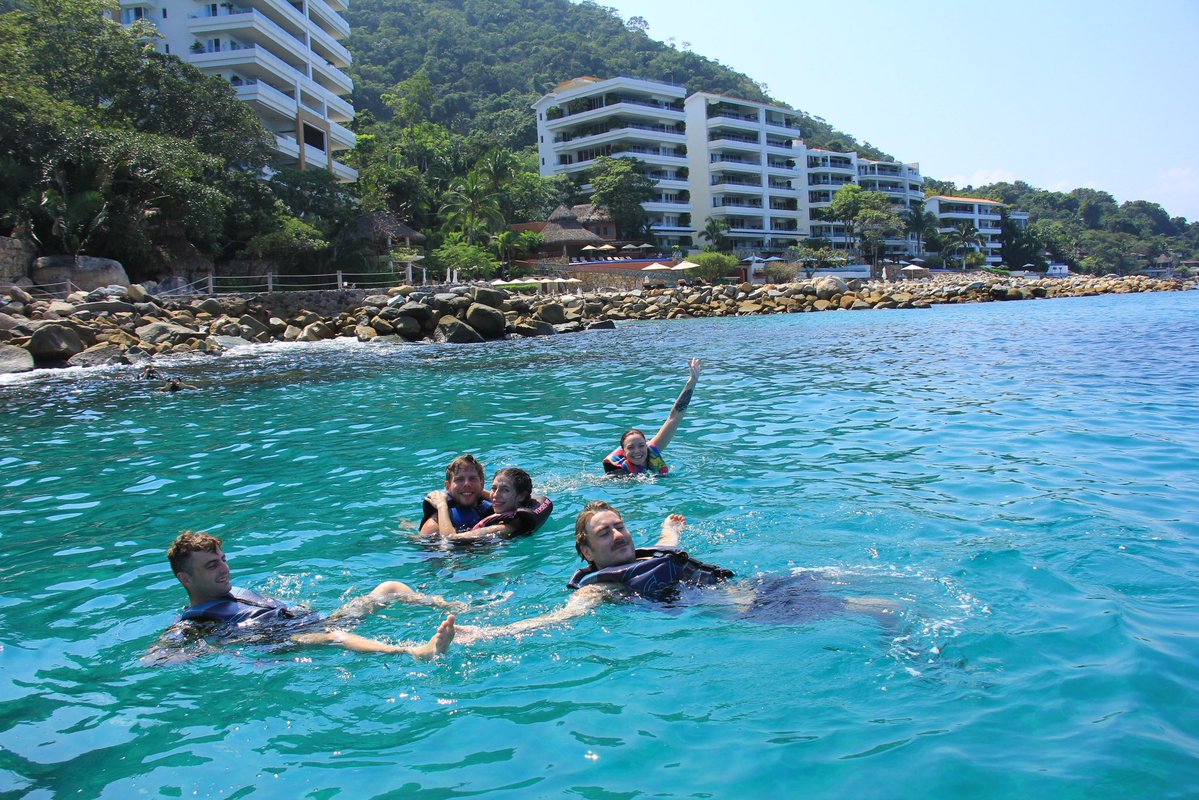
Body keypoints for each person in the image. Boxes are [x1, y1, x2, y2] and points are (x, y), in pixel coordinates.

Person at [454, 503, 895, 643]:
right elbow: (556, 620)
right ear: (587, 551)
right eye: (604, 533)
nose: (618, 534)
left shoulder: (646, 552)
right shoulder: (601, 589)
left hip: (762, 586)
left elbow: (667, 545)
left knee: (858, 577)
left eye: (620, 526)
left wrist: (671, 525)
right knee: (885, 607)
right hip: (754, 611)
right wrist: (482, 633)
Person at [149, 531, 457, 662]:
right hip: (284, 640)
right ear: (186, 578)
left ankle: (460, 608)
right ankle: (415, 652)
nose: (224, 569)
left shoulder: (234, 593)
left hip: (309, 622)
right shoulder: (194, 623)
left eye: (223, 559)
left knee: (390, 588)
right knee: (336, 637)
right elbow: (159, 656)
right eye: (212, 565)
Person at [603, 358, 701, 475]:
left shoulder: (652, 451)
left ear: (646, 445)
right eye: (630, 447)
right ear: (623, 452)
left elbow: (675, 416)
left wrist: (692, 382)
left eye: (641, 445)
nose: (637, 451)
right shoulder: (618, 473)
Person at [440, 467, 554, 543]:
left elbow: (450, 538)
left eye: (505, 490)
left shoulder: (505, 528)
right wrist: (471, 489)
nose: (495, 495)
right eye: (494, 488)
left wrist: (442, 505)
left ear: (521, 496)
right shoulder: (514, 507)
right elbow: (496, 496)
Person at [420, 454, 493, 536]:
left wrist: (475, 490)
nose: (467, 484)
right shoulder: (434, 525)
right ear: (448, 486)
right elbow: (447, 540)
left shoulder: (491, 509)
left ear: (482, 484)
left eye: (472, 479)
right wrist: (441, 506)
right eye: (459, 479)